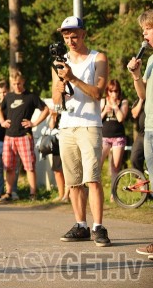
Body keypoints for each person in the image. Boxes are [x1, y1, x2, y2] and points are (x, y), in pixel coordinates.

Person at [52, 15, 110, 247]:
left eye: (74, 36)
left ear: (84, 34)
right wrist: (60, 87)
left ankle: (98, 227)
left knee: (92, 179)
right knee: (73, 181)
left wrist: (72, 78)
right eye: (66, 37)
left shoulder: (98, 58)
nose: (71, 41)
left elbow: (98, 93)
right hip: (67, 125)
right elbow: (56, 99)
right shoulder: (60, 61)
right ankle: (81, 225)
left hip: (90, 125)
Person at [0, 72, 49, 201]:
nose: (16, 86)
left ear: (23, 81)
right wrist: (2, 122)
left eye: (19, 83)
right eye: (14, 84)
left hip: (24, 136)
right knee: (9, 166)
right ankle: (8, 193)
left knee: (29, 166)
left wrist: (34, 123)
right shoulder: (8, 96)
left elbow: (46, 110)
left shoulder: (31, 96)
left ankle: (32, 194)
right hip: (9, 136)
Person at [127, 9, 153, 258]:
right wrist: (136, 75)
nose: (144, 34)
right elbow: (143, 94)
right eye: (143, 29)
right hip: (150, 129)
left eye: (148, 28)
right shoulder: (151, 60)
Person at [100, 79, 129, 202]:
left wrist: (115, 107)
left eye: (116, 91)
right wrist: (104, 111)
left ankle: (113, 194)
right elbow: (97, 119)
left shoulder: (124, 102)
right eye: (111, 91)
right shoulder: (103, 101)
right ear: (107, 91)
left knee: (115, 167)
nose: (113, 94)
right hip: (104, 137)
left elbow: (121, 118)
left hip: (118, 137)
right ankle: (97, 193)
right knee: (98, 164)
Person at [130, 98, 145, 173]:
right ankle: (140, 179)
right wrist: (141, 100)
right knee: (135, 158)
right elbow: (134, 114)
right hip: (141, 134)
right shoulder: (140, 99)